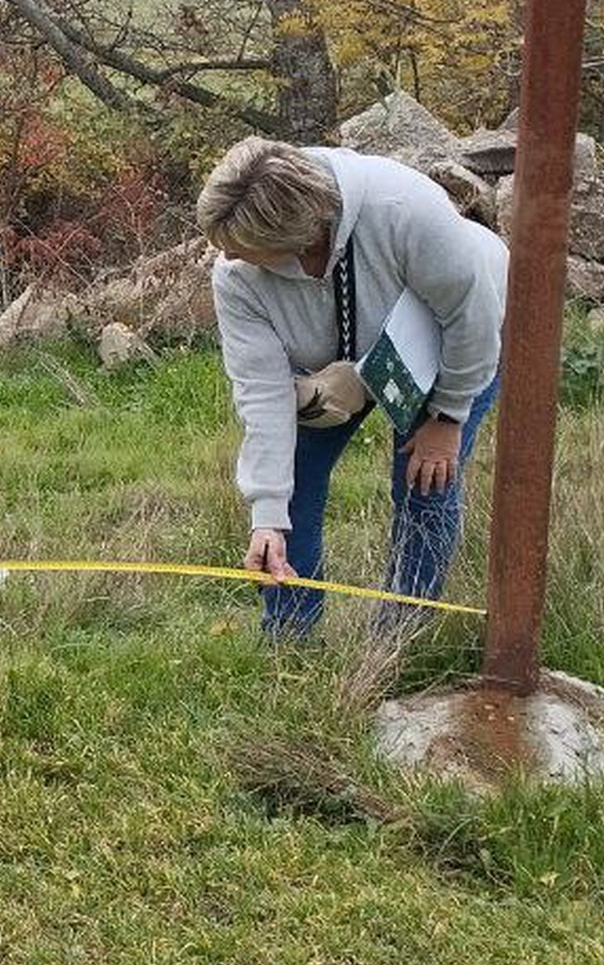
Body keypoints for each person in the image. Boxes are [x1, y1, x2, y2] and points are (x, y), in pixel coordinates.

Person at [199, 138, 508, 638]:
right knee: (292, 483)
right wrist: (267, 514)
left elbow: (470, 319)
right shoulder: (235, 274)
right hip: (340, 361)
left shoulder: (404, 210)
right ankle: (290, 637)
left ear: (299, 239)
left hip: (451, 341)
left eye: (241, 248)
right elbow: (263, 394)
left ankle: (399, 638)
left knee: (423, 479)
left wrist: (447, 419)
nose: (228, 256)